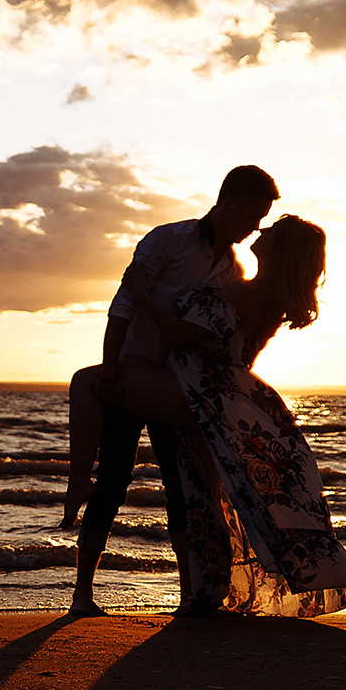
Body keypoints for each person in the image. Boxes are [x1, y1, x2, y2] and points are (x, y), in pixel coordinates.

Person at [108, 215, 346, 618]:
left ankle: (205, 592)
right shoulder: (264, 294)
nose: (259, 232)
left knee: (205, 495)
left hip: (207, 393)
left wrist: (141, 293)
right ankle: (206, 591)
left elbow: (180, 333)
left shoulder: (249, 294)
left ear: (281, 250)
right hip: (229, 396)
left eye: (270, 232)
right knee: (215, 494)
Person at [63, 165, 280, 617]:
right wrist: (109, 369)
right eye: (253, 214)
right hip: (130, 373)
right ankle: (81, 596)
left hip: (177, 387)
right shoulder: (168, 239)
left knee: (179, 489)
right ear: (231, 201)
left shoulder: (230, 270)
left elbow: (204, 334)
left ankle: (189, 597)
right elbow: (122, 304)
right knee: (114, 481)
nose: (255, 226)